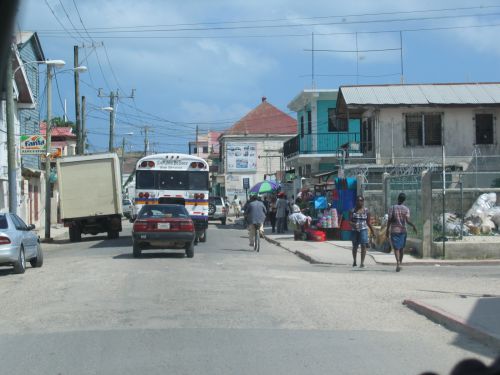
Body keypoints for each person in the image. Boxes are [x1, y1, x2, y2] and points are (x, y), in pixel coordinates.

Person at [385, 192, 417, 272]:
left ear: (398, 198)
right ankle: (400, 263)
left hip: (394, 230)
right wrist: (413, 225)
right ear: (404, 200)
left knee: (396, 248)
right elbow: (407, 220)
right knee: (401, 248)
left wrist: (387, 230)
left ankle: (398, 263)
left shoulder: (392, 208)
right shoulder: (406, 209)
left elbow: (389, 221)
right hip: (403, 231)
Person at [350, 195, 375, 268]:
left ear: (363, 202)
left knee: (363, 246)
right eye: (358, 200)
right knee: (355, 246)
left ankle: (362, 263)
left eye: (361, 200)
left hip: (363, 230)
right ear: (356, 201)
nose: (359, 202)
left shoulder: (367, 211)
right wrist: (354, 224)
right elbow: (350, 221)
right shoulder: (352, 210)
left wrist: (373, 231)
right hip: (355, 230)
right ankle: (354, 261)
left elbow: (368, 222)